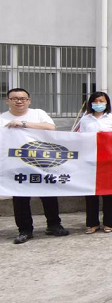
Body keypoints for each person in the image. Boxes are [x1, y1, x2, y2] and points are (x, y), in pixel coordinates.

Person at [1, 88, 69, 244]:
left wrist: (22, 124)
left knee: (49, 195)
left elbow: (51, 128)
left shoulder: (38, 113)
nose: (19, 101)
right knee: (20, 199)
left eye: (23, 98)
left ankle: (54, 225)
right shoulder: (2, 119)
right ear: (7, 101)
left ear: (29, 101)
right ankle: (25, 230)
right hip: (16, 166)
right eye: (15, 98)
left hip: (42, 163)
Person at [78, 91, 112, 234]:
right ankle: (92, 223)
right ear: (91, 103)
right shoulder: (85, 120)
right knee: (91, 193)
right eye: (96, 101)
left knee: (108, 193)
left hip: (108, 160)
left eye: (101, 101)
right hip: (90, 160)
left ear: (106, 103)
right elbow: (80, 138)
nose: (98, 104)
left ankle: (109, 222)